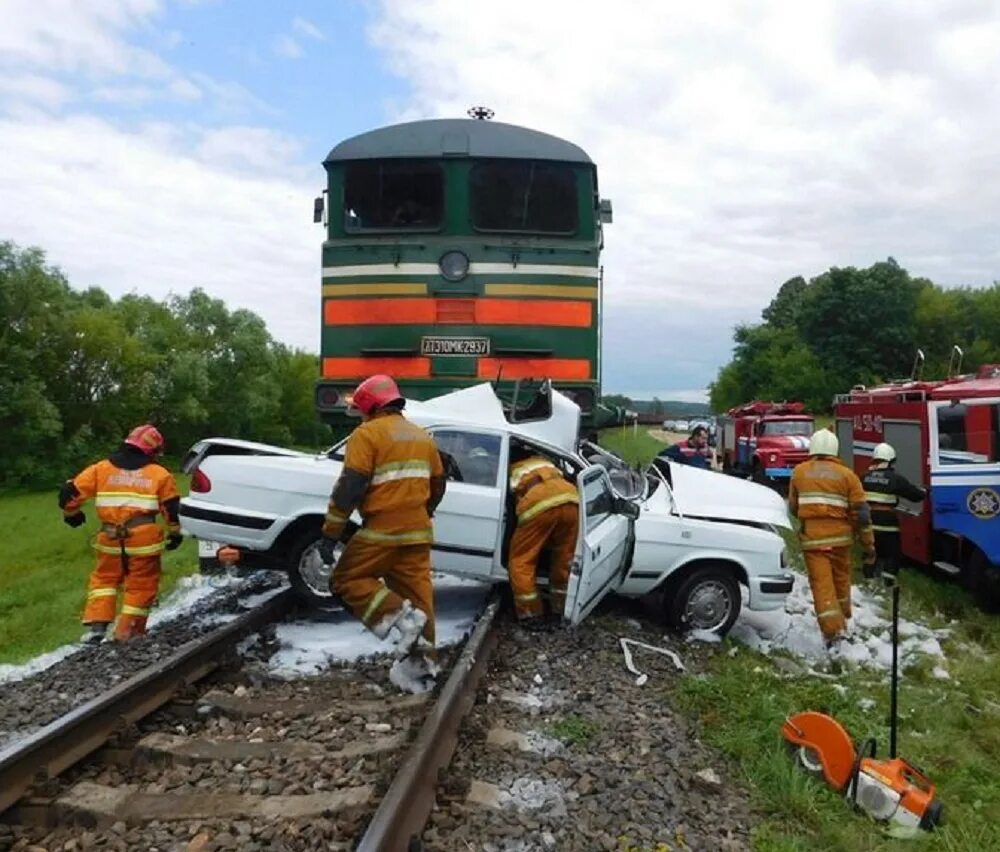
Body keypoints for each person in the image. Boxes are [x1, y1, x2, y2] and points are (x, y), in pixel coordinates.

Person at [317, 375, 446, 683]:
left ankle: (400, 618)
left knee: (346, 579)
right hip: (418, 530)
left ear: (370, 407)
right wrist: (422, 511)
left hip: (382, 530)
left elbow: (350, 486)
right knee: (419, 596)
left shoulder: (367, 434)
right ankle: (422, 669)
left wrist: (330, 533)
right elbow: (438, 484)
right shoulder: (422, 436)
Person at [59, 424, 183, 644]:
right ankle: (127, 632)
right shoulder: (160, 474)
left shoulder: (101, 468)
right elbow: (171, 507)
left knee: (105, 580)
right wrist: (175, 532)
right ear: (152, 451)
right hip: (143, 538)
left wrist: (72, 515)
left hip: (110, 536)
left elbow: (70, 492)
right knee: (141, 584)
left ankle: (97, 628)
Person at [788, 429, 875, 649]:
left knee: (822, 585)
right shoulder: (848, 475)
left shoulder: (799, 472)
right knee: (841, 581)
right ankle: (844, 619)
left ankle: (833, 633)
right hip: (841, 542)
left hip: (814, 542)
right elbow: (862, 515)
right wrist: (868, 546)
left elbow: (793, 507)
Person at [507, 445, 580, 629]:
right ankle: (561, 608)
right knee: (564, 557)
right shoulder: (544, 462)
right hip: (571, 499)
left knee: (521, 561)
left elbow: (509, 506)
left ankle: (532, 613)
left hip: (538, 503)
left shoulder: (511, 469)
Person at [862, 442, 927, 582]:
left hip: (868, 521)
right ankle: (889, 586)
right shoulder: (895, 479)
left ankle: (868, 582)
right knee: (892, 555)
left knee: (871, 552)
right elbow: (915, 496)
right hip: (887, 523)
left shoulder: (864, 476)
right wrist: (925, 491)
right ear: (891, 460)